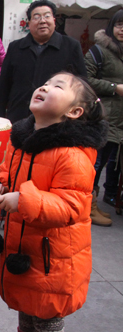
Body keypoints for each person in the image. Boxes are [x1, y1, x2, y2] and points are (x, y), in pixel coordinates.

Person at [0, 72, 108, 332]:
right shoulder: (20, 140)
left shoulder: (73, 154)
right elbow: (7, 172)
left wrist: (23, 199)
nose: (44, 86)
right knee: (27, 309)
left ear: (74, 112)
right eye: (45, 82)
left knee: (48, 318)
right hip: (24, 246)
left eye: (57, 86)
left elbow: (72, 206)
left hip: (54, 256)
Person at [0, 0, 87, 123]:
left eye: (47, 16)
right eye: (36, 17)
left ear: (54, 19)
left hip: (56, 119)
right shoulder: (16, 47)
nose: (42, 21)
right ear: (29, 23)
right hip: (19, 117)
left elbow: (82, 84)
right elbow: (3, 86)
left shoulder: (71, 46)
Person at [85, 9, 123, 226]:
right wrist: (114, 87)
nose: (122, 29)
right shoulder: (99, 51)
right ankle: (89, 205)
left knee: (110, 162)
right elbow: (85, 78)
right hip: (103, 117)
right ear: (112, 27)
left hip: (120, 119)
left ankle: (96, 203)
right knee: (95, 163)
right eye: (119, 25)